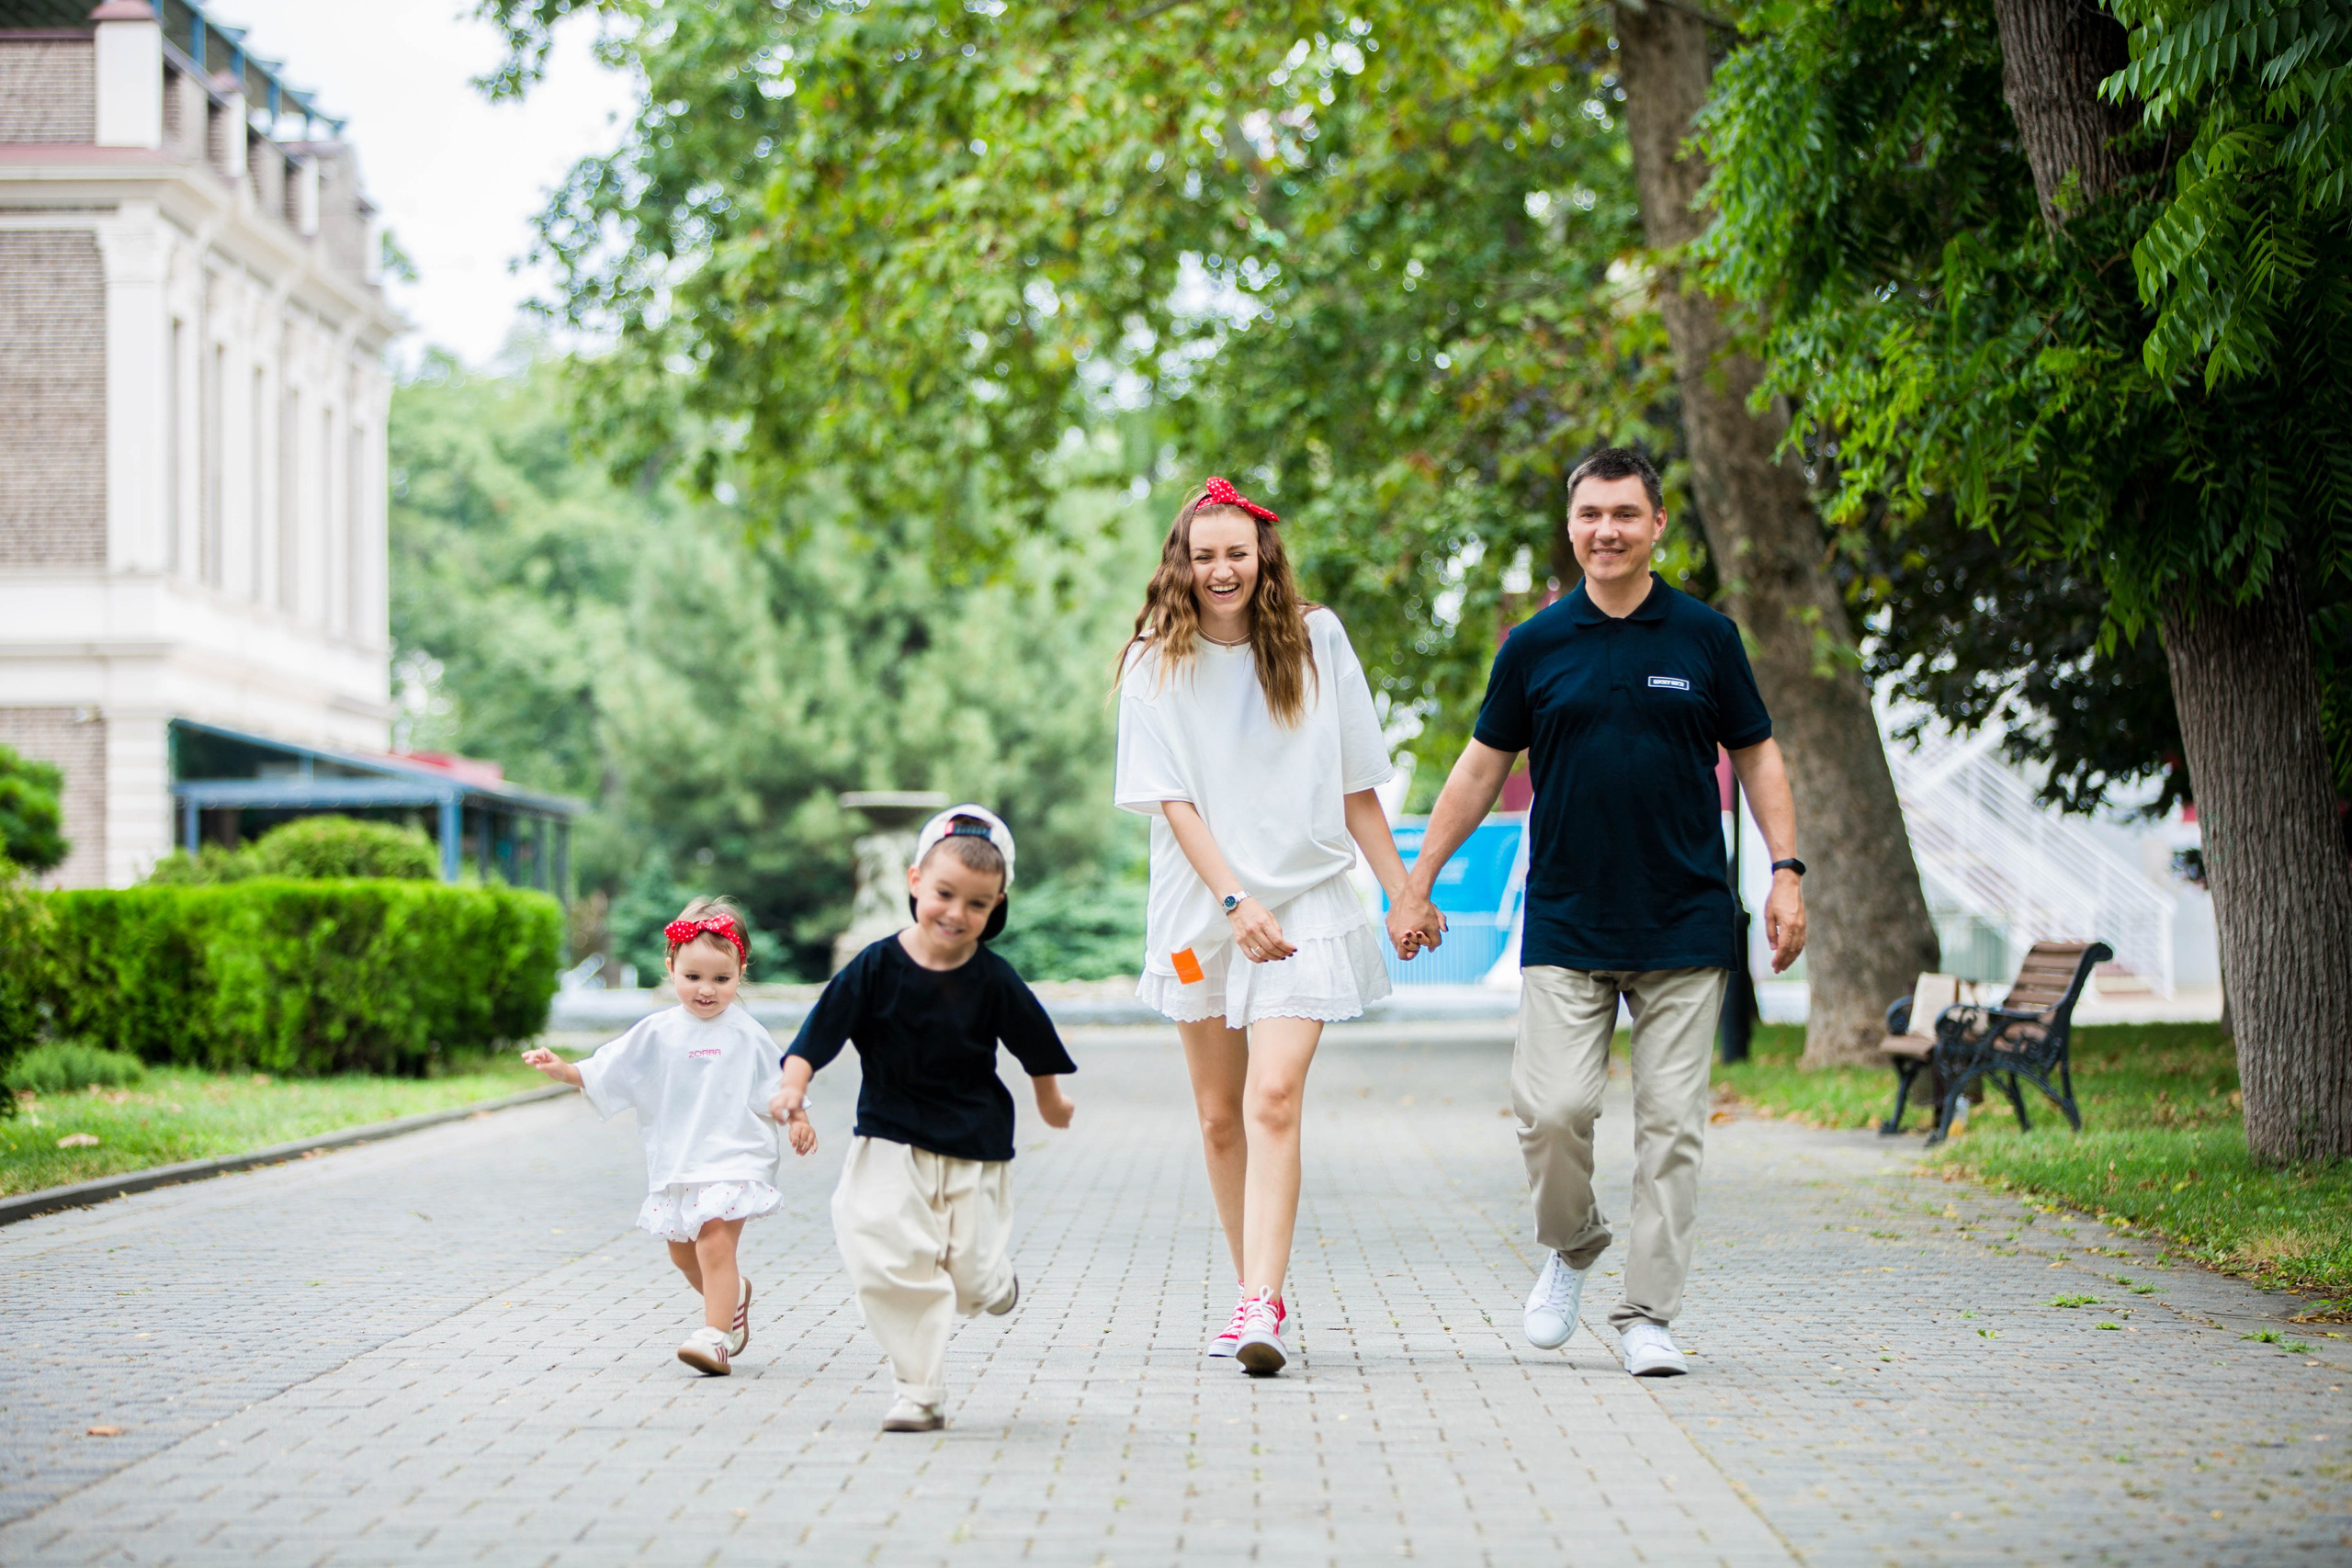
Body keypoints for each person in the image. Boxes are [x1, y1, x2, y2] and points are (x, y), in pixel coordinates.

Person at [1387, 447, 1807, 1379]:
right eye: (1589, 515)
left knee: (1672, 1128)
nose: (1606, 530)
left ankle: (1648, 1314)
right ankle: (1571, 1243)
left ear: (1658, 525)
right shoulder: (1534, 646)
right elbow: (1477, 769)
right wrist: (1417, 882)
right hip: (1568, 920)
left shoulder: (1705, 638)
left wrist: (1785, 871)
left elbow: (1760, 755)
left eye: (1625, 513)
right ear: (1570, 527)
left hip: (1684, 920)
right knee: (1551, 1109)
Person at [1114, 476, 1420, 1376]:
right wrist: (1233, 903)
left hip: (1307, 901)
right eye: (1203, 556)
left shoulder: (1317, 640)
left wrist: (1401, 892)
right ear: (1181, 563)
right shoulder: (1151, 661)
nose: (1221, 571)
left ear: (1262, 558)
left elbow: (1356, 783)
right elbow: (1171, 802)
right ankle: (1249, 1284)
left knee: (1271, 1098)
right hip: (1198, 913)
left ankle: (1260, 1304)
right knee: (1217, 1118)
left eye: (1235, 555)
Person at [771, 806, 1076, 1433]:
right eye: (944, 893)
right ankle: (918, 1388)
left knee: (968, 1278)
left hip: (975, 1144)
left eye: (978, 904)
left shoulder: (993, 978)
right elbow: (819, 1032)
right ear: (914, 881)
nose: (957, 914)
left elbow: (1034, 1041)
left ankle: (994, 1282)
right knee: (887, 1253)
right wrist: (792, 1083)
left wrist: (1051, 1099)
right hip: (889, 1135)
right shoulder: (875, 966)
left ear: (997, 906)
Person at [523, 897, 782, 1377]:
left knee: (712, 1243)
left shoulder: (748, 1033)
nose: (706, 990)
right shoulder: (657, 1031)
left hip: (734, 1157)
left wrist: (799, 1117)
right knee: (683, 1254)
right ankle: (734, 1301)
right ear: (671, 968)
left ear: (740, 972)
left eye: (721, 979)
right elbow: (610, 1069)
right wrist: (565, 1070)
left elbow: (779, 1085)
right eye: (693, 977)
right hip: (677, 1161)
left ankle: (714, 1338)